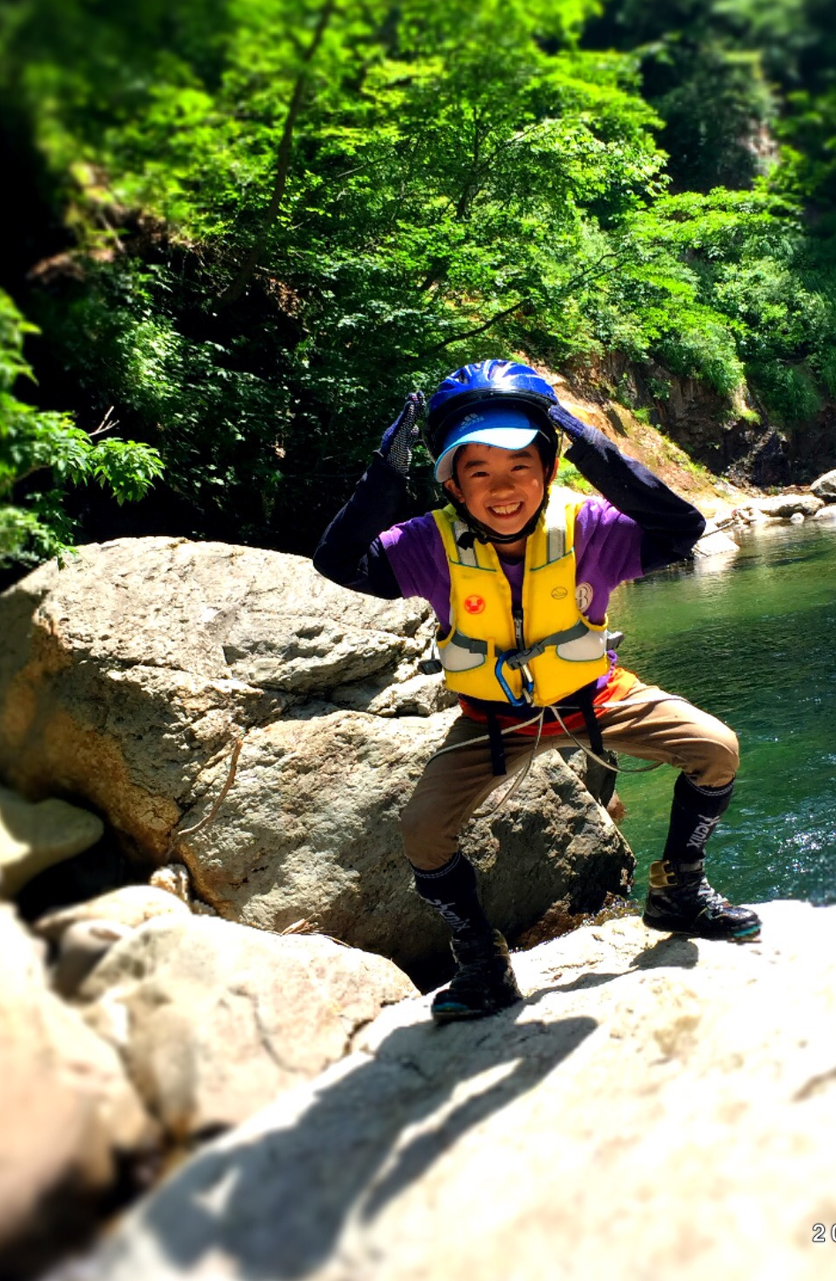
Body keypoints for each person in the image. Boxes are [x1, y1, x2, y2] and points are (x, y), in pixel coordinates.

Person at [315, 359, 760, 1023]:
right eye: (478, 471)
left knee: (715, 748)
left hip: (594, 699)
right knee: (423, 830)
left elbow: (680, 531)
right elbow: (339, 561)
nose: (502, 489)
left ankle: (679, 890)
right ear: (452, 482)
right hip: (494, 721)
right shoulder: (431, 545)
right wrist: (386, 471)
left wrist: (594, 447)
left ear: (548, 469)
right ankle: (481, 961)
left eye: (520, 466)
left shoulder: (587, 527)